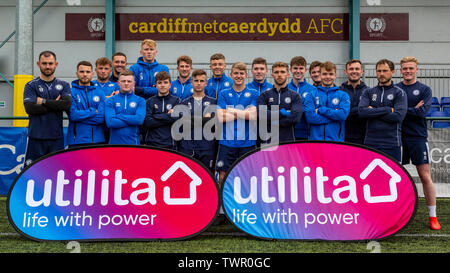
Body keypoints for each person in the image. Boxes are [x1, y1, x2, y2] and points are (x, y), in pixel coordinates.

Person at [396, 56, 441, 230]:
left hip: (418, 137)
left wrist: (402, 110)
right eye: (405, 68)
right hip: (397, 137)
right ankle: (396, 215)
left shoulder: (425, 89)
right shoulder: (396, 89)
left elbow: (421, 113)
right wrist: (410, 109)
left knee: (425, 177)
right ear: (400, 70)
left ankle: (433, 217)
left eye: (411, 68)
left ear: (416, 70)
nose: (407, 71)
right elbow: (395, 112)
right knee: (396, 177)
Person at [23, 50, 72, 166]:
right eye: (44, 63)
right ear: (38, 64)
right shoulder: (31, 85)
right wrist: (55, 104)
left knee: (55, 172)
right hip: (36, 136)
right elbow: (30, 109)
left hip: (56, 137)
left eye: (50, 63)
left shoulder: (64, 85)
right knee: (32, 172)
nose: (47, 66)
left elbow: (66, 105)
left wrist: (43, 101)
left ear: (56, 64)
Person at [216, 62, 258, 185]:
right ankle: (223, 203)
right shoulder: (224, 93)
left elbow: (253, 116)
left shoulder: (254, 93)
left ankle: (243, 203)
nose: (238, 76)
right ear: (231, 74)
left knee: (247, 174)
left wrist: (231, 110)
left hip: (247, 142)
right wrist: (244, 113)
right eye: (236, 73)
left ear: (246, 75)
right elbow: (221, 118)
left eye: (241, 73)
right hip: (226, 141)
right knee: (223, 174)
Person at [358, 59, 407, 162]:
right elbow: (362, 112)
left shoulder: (399, 93)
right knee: (370, 176)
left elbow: (398, 116)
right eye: (379, 71)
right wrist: (387, 109)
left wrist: (373, 112)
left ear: (392, 72)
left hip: (392, 143)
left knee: (393, 176)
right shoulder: (368, 92)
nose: (381, 74)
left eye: (385, 71)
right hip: (371, 142)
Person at [178, 69, 217, 170]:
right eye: (196, 81)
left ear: (206, 83)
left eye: (201, 81)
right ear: (191, 82)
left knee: (207, 178)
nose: (199, 83)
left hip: (207, 147)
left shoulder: (214, 102)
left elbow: (215, 124)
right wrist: (206, 119)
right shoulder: (184, 102)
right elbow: (184, 123)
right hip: (187, 147)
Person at [303, 61, 350, 141]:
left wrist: (321, 110)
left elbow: (342, 115)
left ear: (335, 75)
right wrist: (334, 116)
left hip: (336, 141)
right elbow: (310, 117)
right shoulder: (311, 95)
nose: (328, 77)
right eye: (324, 74)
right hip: (315, 141)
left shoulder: (343, 95)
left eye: (331, 74)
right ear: (320, 75)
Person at [257, 61, 302, 144]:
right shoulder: (264, 95)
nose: (279, 75)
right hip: (268, 142)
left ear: (288, 75)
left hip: (288, 141)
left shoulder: (295, 96)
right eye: (276, 72)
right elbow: (262, 115)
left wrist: (273, 120)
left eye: (282, 72)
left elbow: (295, 118)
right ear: (272, 75)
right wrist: (282, 113)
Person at [67, 61, 106, 148]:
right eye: (82, 72)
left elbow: (101, 118)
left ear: (92, 74)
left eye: (88, 72)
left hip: (97, 140)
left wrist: (81, 117)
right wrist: (93, 111)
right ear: (77, 73)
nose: (85, 74)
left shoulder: (100, 92)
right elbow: (73, 115)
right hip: (76, 141)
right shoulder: (70, 92)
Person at [104, 69, 146, 144]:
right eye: (123, 81)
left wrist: (119, 116)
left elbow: (139, 120)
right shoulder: (110, 100)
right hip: (114, 145)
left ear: (133, 83)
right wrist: (132, 120)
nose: (126, 83)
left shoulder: (140, 101)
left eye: (129, 81)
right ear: (118, 83)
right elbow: (110, 122)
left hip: (133, 144)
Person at [143, 71, 180, 150]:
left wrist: (155, 116)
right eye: (160, 83)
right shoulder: (149, 101)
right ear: (155, 85)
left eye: (165, 82)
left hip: (170, 144)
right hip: (152, 144)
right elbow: (148, 122)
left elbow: (176, 119)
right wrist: (168, 116)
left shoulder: (177, 101)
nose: (162, 85)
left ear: (170, 85)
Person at [340, 59, 370, 144]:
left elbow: (370, 113)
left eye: (357, 69)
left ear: (362, 71)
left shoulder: (369, 91)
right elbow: (340, 113)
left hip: (364, 138)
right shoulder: (339, 91)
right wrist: (362, 109)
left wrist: (347, 111)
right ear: (346, 72)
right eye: (351, 69)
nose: (354, 71)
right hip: (344, 137)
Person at [287, 56, 317, 140]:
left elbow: (313, 110)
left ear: (305, 70)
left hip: (306, 133)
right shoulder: (285, 88)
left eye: (301, 68)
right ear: (290, 70)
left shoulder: (313, 90)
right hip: (288, 132)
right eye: (295, 68)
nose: (298, 71)